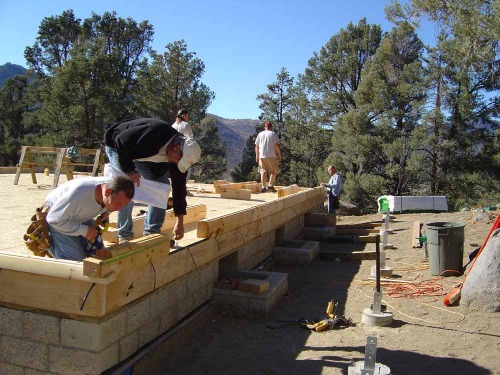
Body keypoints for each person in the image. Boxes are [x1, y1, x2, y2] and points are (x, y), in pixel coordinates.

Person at [104, 118, 201, 243]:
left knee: (162, 184)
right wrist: (129, 170)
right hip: (118, 148)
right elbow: (121, 140)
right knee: (128, 186)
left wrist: (180, 222)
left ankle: (152, 232)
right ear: (176, 148)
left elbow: (179, 188)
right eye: (178, 160)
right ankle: (125, 235)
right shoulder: (154, 133)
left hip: (142, 154)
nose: (177, 163)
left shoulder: (177, 155)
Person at [45, 176, 135, 261]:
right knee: (76, 260)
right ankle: (46, 244)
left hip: (79, 214)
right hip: (59, 217)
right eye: (118, 204)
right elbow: (53, 219)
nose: (120, 209)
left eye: (124, 205)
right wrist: (84, 231)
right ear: (107, 192)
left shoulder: (114, 187)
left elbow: (113, 201)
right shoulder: (78, 194)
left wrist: (106, 212)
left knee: (99, 254)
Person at [254, 121, 282, 192]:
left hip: (262, 156)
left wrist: (257, 156)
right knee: (274, 171)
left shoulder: (260, 134)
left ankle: (263, 187)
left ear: (264, 127)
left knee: (263, 171)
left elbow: (256, 146)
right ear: (271, 127)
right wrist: (279, 155)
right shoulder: (273, 134)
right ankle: (270, 185)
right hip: (271, 155)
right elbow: (276, 145)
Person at [172, 109, 194, 184]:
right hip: (184, 151)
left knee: (175, 171)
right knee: (187, 169)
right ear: (183, 116)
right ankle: (183, 187)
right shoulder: (186, 125)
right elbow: (191, 139)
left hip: (173, 152)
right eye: (187, 116)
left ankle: (176, 187)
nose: (188, 117)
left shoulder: (173, 125)